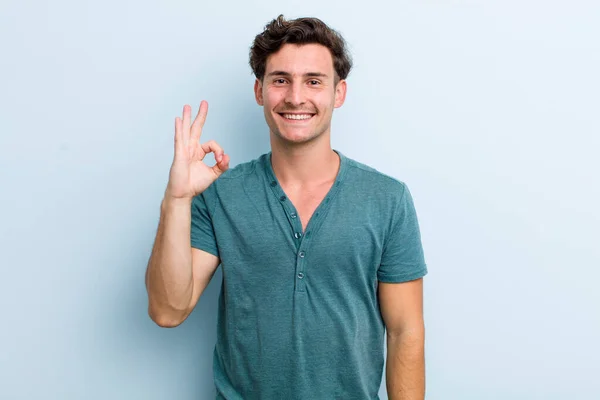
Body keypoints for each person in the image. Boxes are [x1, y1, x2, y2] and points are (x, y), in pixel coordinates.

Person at [145, 14, 428, 400]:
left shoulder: (387, 199)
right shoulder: (221, 194)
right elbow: (168, 310)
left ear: (338, 93)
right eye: (281, 80)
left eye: (314, 81)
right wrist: (176, 200)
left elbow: (405, 331)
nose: (296, 97)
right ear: (260, 91)